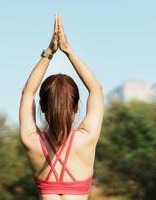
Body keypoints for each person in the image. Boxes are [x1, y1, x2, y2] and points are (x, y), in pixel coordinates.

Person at [19, 14, 104, 200]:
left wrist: (49, 52)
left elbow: (27, 93)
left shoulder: (31, 141)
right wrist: (68, 51)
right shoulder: (87, 139)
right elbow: (96, 90)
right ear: (75, 107)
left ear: (41, 106)